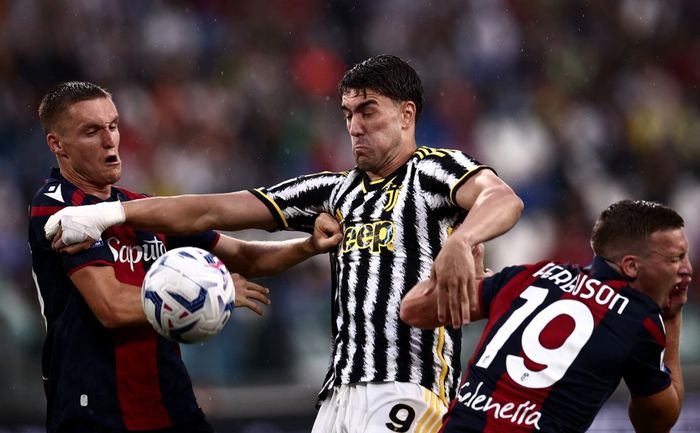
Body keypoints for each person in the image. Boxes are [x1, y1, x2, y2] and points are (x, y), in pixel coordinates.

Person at [45, 55, 524, 432]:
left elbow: (501, 199)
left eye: (368, 111)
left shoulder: (434, 171)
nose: (355, 126)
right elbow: (212, 209)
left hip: (408, 387)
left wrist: (463, 240)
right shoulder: (334, 190)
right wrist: (110, 212)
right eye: (347, 113)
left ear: (406, 114)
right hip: (338, 395)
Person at [28, 81, 342, 433]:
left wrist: (308, 246)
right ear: (57, 144)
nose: (109, 140)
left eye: (113, 126)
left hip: (169, 404)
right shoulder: (57, 207)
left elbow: (243, 256)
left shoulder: (140, 207)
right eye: (91, 131)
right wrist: (212, 295)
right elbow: (111, 307)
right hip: (94, 410)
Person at [400, 199, 692, 433]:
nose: (687, 269)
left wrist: (462, 265)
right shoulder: (638, 319)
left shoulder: (529, 276)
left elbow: (413, 309)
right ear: (630, 266)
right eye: (675, 258)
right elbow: (656, 422)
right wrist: (672, 319)